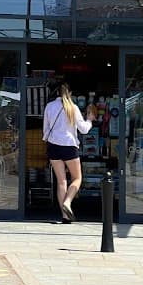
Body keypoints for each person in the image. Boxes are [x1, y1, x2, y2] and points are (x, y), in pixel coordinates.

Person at [42, 81, 96, 223]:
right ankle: (68, 202)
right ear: (70, 93)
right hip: (69, 146)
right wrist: (90, 120)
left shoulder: (49, 107)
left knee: (61, 181)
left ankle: (65, 216)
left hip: (53, 145)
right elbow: (83, 129)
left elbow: (45, 130)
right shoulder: (73, 108)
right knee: (77, 178)